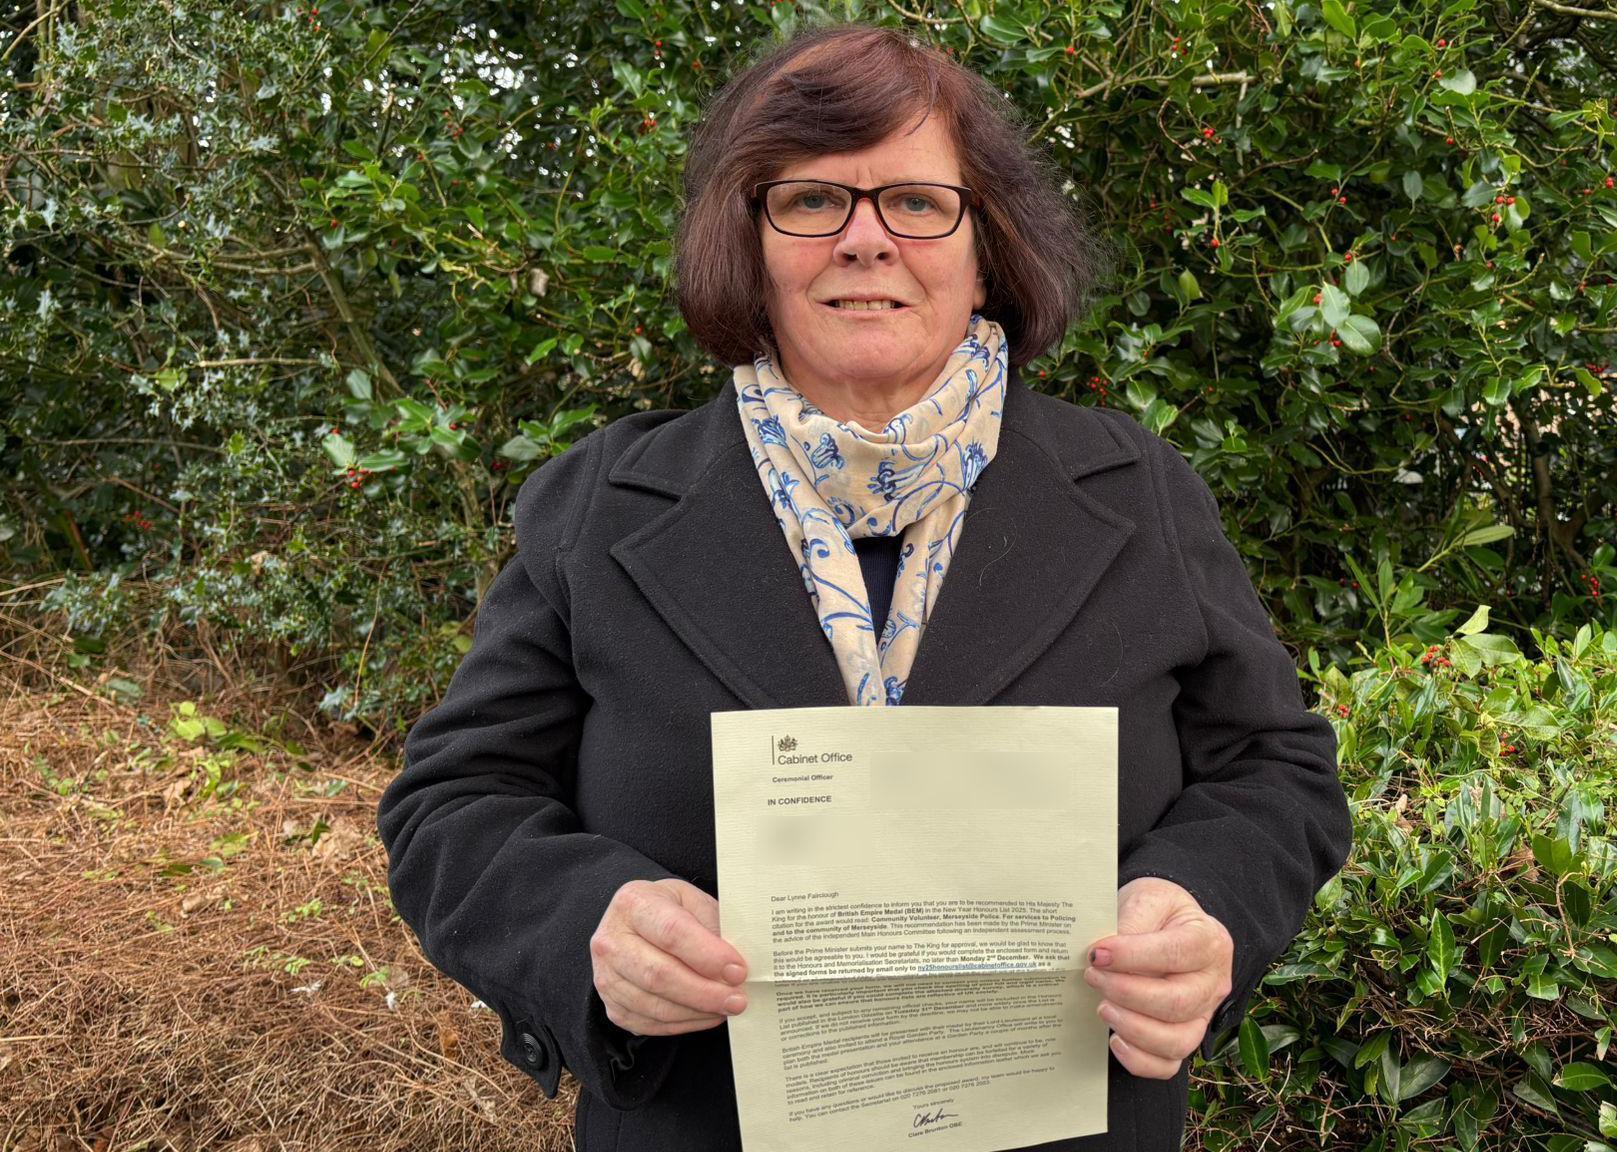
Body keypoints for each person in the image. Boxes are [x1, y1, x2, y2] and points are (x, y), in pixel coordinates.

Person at [377, 21, 1351, 1152]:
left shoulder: (1139, 495)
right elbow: (452, 804)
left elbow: (1276, 768)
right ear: (749, 243)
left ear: (985, 244)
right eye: (810, 202)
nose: (864, 241)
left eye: (916, 202)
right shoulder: (597, 507)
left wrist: (1205, 906)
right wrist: (584, 924)